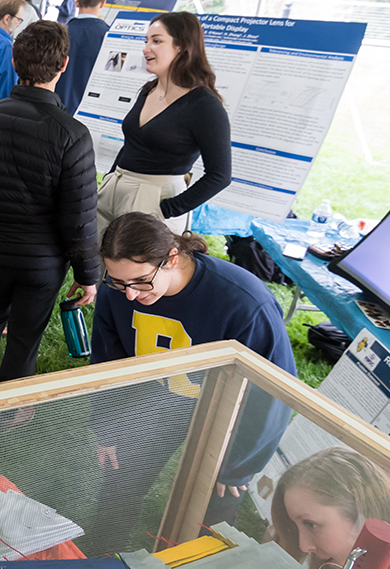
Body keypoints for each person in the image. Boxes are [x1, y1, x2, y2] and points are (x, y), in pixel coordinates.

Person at [90, 211, 296, 547]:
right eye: (117, 281)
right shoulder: (118, 290)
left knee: (215, 504)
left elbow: (272, 391)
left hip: (228, 408)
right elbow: (108, 363)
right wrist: (108, 426)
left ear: (171, 258)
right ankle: (100, 558)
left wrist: (239, 464)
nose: (129, 295)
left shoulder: (244, 303)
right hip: (157, 398)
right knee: (120, 482)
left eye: (140, 281)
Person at [0, 21, 99, 389]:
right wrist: (88, 275)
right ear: (64, 65)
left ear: (15, 62)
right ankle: (7, 410)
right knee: (23, 334)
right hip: (41, 261)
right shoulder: (72, 134)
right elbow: (78, 217)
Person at [96, 12, 232, 239]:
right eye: (146, 41)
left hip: (155, 199)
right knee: (95, 267)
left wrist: (168, 209)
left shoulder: (205, 106)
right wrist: (111, 180)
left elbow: (220, 175)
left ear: (182, 47)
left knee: (133, 273)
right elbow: (132, 143)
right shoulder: (149, 89)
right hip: (114, 189)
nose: (146, 48)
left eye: (157, 41)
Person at [54, 0, 110, 115]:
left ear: (78, 1)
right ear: (102, 3)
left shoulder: (58, 32)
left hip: (55, 109)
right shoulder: (108, 36)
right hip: (90, 112)